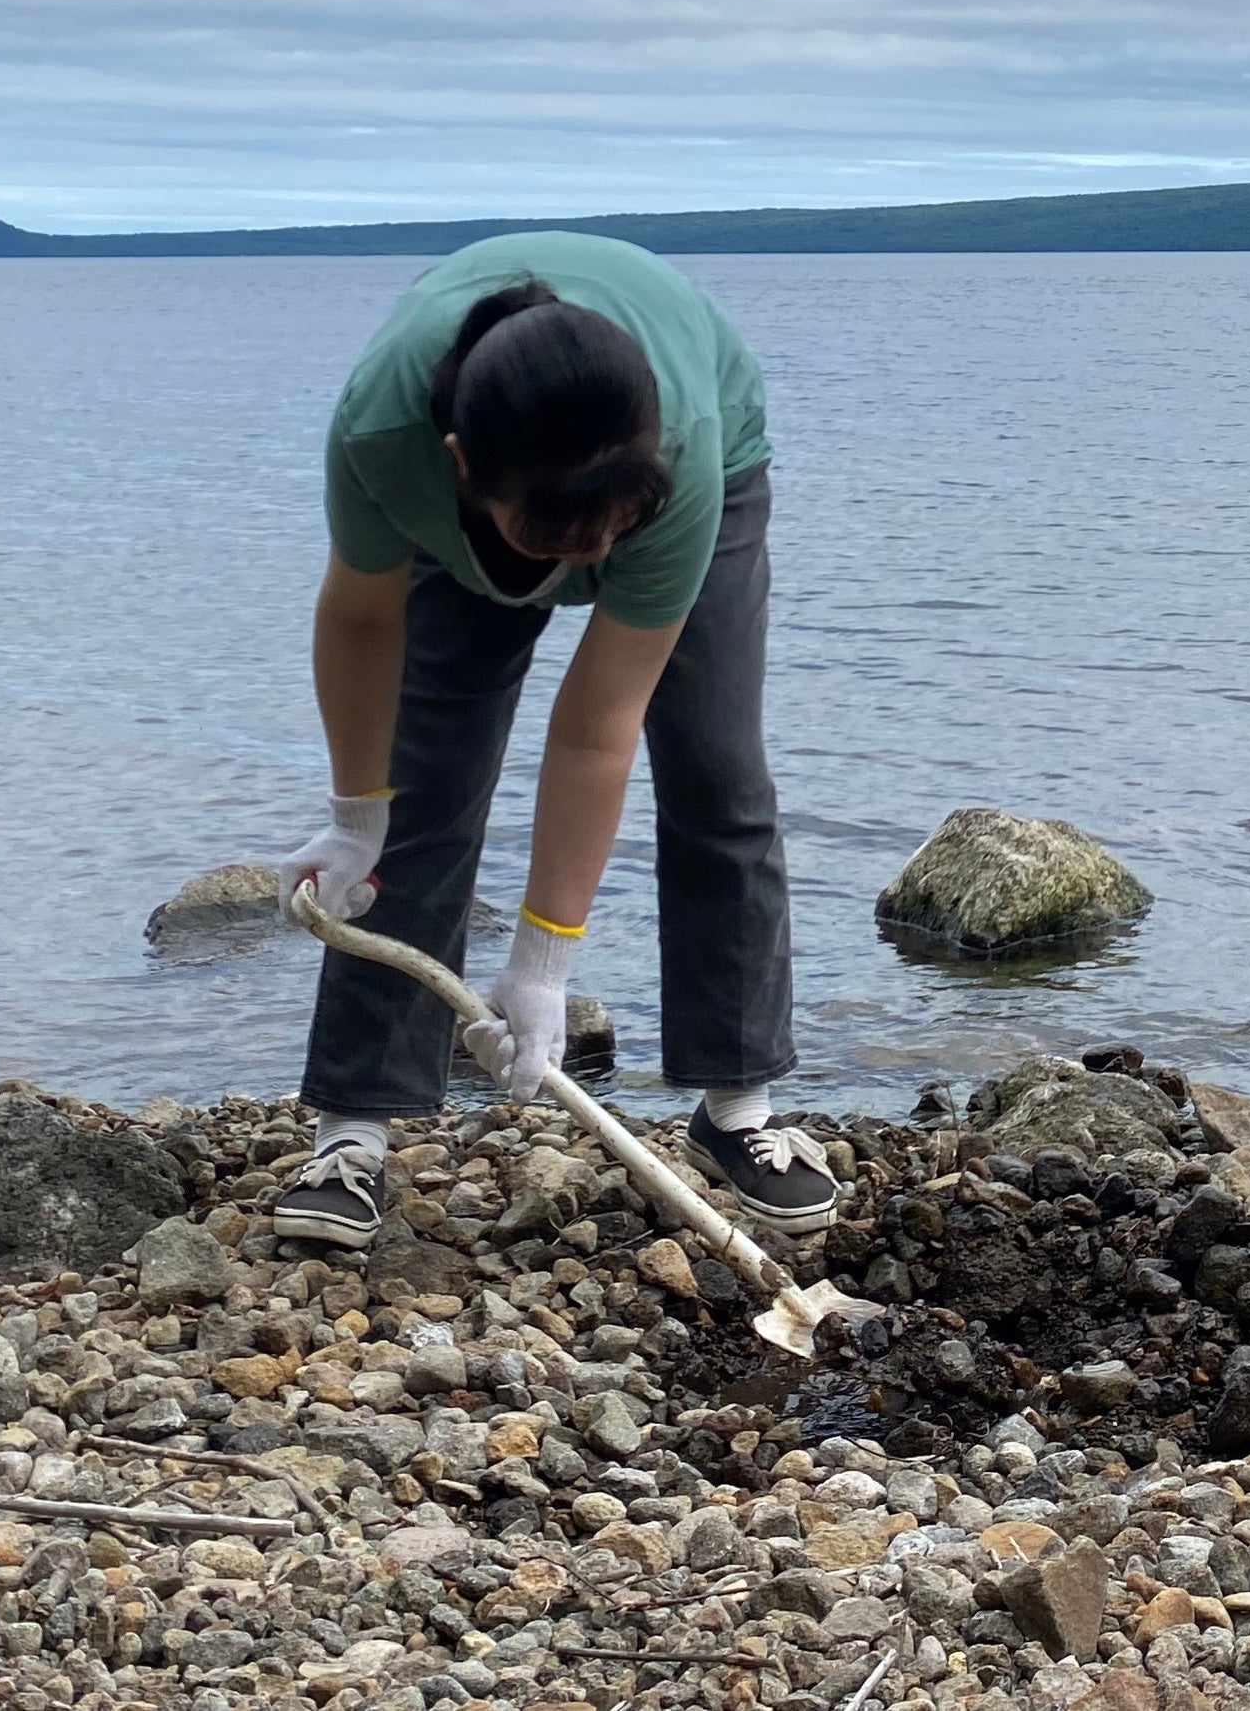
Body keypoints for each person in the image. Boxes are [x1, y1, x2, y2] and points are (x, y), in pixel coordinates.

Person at [268, 231, 833, 1248]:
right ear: (460, 468)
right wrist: (356, 820)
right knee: (423, 779)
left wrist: (541, 966)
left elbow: (595, 729)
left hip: (686, 460)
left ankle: (735, 1108)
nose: (591, 567)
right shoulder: (383, 437)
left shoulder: (678, 461)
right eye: (560, 546)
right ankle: (353, 1128)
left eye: (608, 539)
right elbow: (360, 618)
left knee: (715, 769)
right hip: (500, 490)